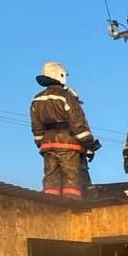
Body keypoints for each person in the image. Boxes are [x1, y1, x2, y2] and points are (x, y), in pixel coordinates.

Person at [30, 62, 99, 196]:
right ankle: (71, 203)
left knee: (51, 180)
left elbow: (36, 126)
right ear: (60, 75)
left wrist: (40, 141)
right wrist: (89, 143)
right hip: (68, 144)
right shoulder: (66, 97)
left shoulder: (36, 99)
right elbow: (77, 123)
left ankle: (51, 203)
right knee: (71, 179)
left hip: (48, 145)